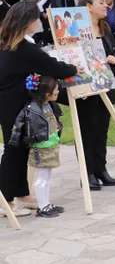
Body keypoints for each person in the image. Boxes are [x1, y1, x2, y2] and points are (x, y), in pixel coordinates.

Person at [0, 1, 77, 217]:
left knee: (21, 147)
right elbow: (53, 67)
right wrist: (74, 68)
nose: (39, 21)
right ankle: (5, 200)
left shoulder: (9, 41)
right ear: (28, 21)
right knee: (13, 149)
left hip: (12, 102)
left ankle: (21, 194)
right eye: (37, 18)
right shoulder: (23, 47)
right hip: (13, 104)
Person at [74, 0, 115, 189]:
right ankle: (88, 173)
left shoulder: (105, 27)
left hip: (105, 83)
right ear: (88, 7)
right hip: (85, 86)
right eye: (101, 2)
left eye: (106, 2)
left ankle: (101, 169)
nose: (106, 5)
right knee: (86, 129)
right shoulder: (76, 30)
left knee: (101, 129)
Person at [10, 75, 65, 217]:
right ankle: (42, 206)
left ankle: (46, 203)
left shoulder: (48, 105)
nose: (58, 93)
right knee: (42, 178)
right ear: (47, 94)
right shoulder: (33, 110)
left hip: (50, 146)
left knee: (47, 177)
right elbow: (23, 128)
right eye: (56, 91)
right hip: (41, 148)